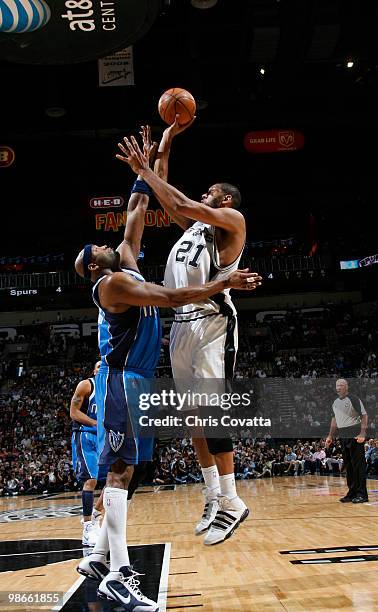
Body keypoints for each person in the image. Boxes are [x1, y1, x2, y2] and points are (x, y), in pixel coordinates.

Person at [76, 127, 261, 609]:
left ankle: (101, 554)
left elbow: (143, 201)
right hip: (126, 375)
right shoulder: (114, 283)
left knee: (136, 468)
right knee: (123, 470)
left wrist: (161, 146)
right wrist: (224, 283)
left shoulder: (130, 257)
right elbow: (174, 292)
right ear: (96, 268)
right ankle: (115, 570)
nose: (99, 244)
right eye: (91, 251)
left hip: (156, 362)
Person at [116, 118, 261, 545]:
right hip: (179, 326)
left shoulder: (231, 220)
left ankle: (234, 499)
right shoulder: (195, 230)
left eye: (210, 193)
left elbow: (177, 203)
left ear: (225, 199)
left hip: (212, 322)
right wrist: (165, 141)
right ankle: (213, 495)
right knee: (192, 419)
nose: (204, 195)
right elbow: (165, 189)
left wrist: (143, 171)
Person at [70, 360, 106, 546]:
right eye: (98, 366)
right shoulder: (86, 385)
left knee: (116, 481)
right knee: (90, 480)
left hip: (105, 438)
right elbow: (73, 412)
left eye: (104, 366)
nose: (101, 368)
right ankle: (86, 527)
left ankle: (96, 515)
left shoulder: (111, 389)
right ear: (93, 370)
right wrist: (95, 423)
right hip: (85, 436)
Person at [326, 378, 369, 503]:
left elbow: (364, 415)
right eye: (337, 385)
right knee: (349, 466)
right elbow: (334, 420)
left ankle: (362, 494)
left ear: (346, 387)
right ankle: (352, 492)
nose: (338, 387)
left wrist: (362, 433)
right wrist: (330, 436)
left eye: (341, 385)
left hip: (355, 434)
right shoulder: (335, 403)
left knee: (358, 466)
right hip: (343, 435)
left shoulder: (353, 399)